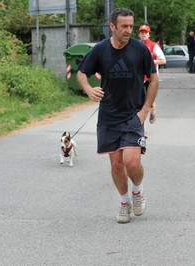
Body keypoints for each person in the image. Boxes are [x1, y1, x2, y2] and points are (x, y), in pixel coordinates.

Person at [76, 8, 158, 224]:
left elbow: (154, 79)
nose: (128, 30)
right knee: (116, 165)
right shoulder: (101, 50)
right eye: (124, 26)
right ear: (112, 26)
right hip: (109, 116)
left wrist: (145, 110)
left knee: (131, 163)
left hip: (133, 115)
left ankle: (137, 192)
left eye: (131, 26)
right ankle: (124, 203)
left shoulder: (140, 50)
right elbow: (82, 73)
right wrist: (89, 89)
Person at [138, 24, 166, 124]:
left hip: (151, 78)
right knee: (141, 102)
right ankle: (142, 129)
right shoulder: (136, 46)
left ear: (149, 34)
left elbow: (163, 60)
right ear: (139, 34)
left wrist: (151, 62)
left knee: (148, 99)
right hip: (139, 77)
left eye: (146, 32)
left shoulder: (154, 46)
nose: (144, 34)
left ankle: (153, 110)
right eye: (142, 33)